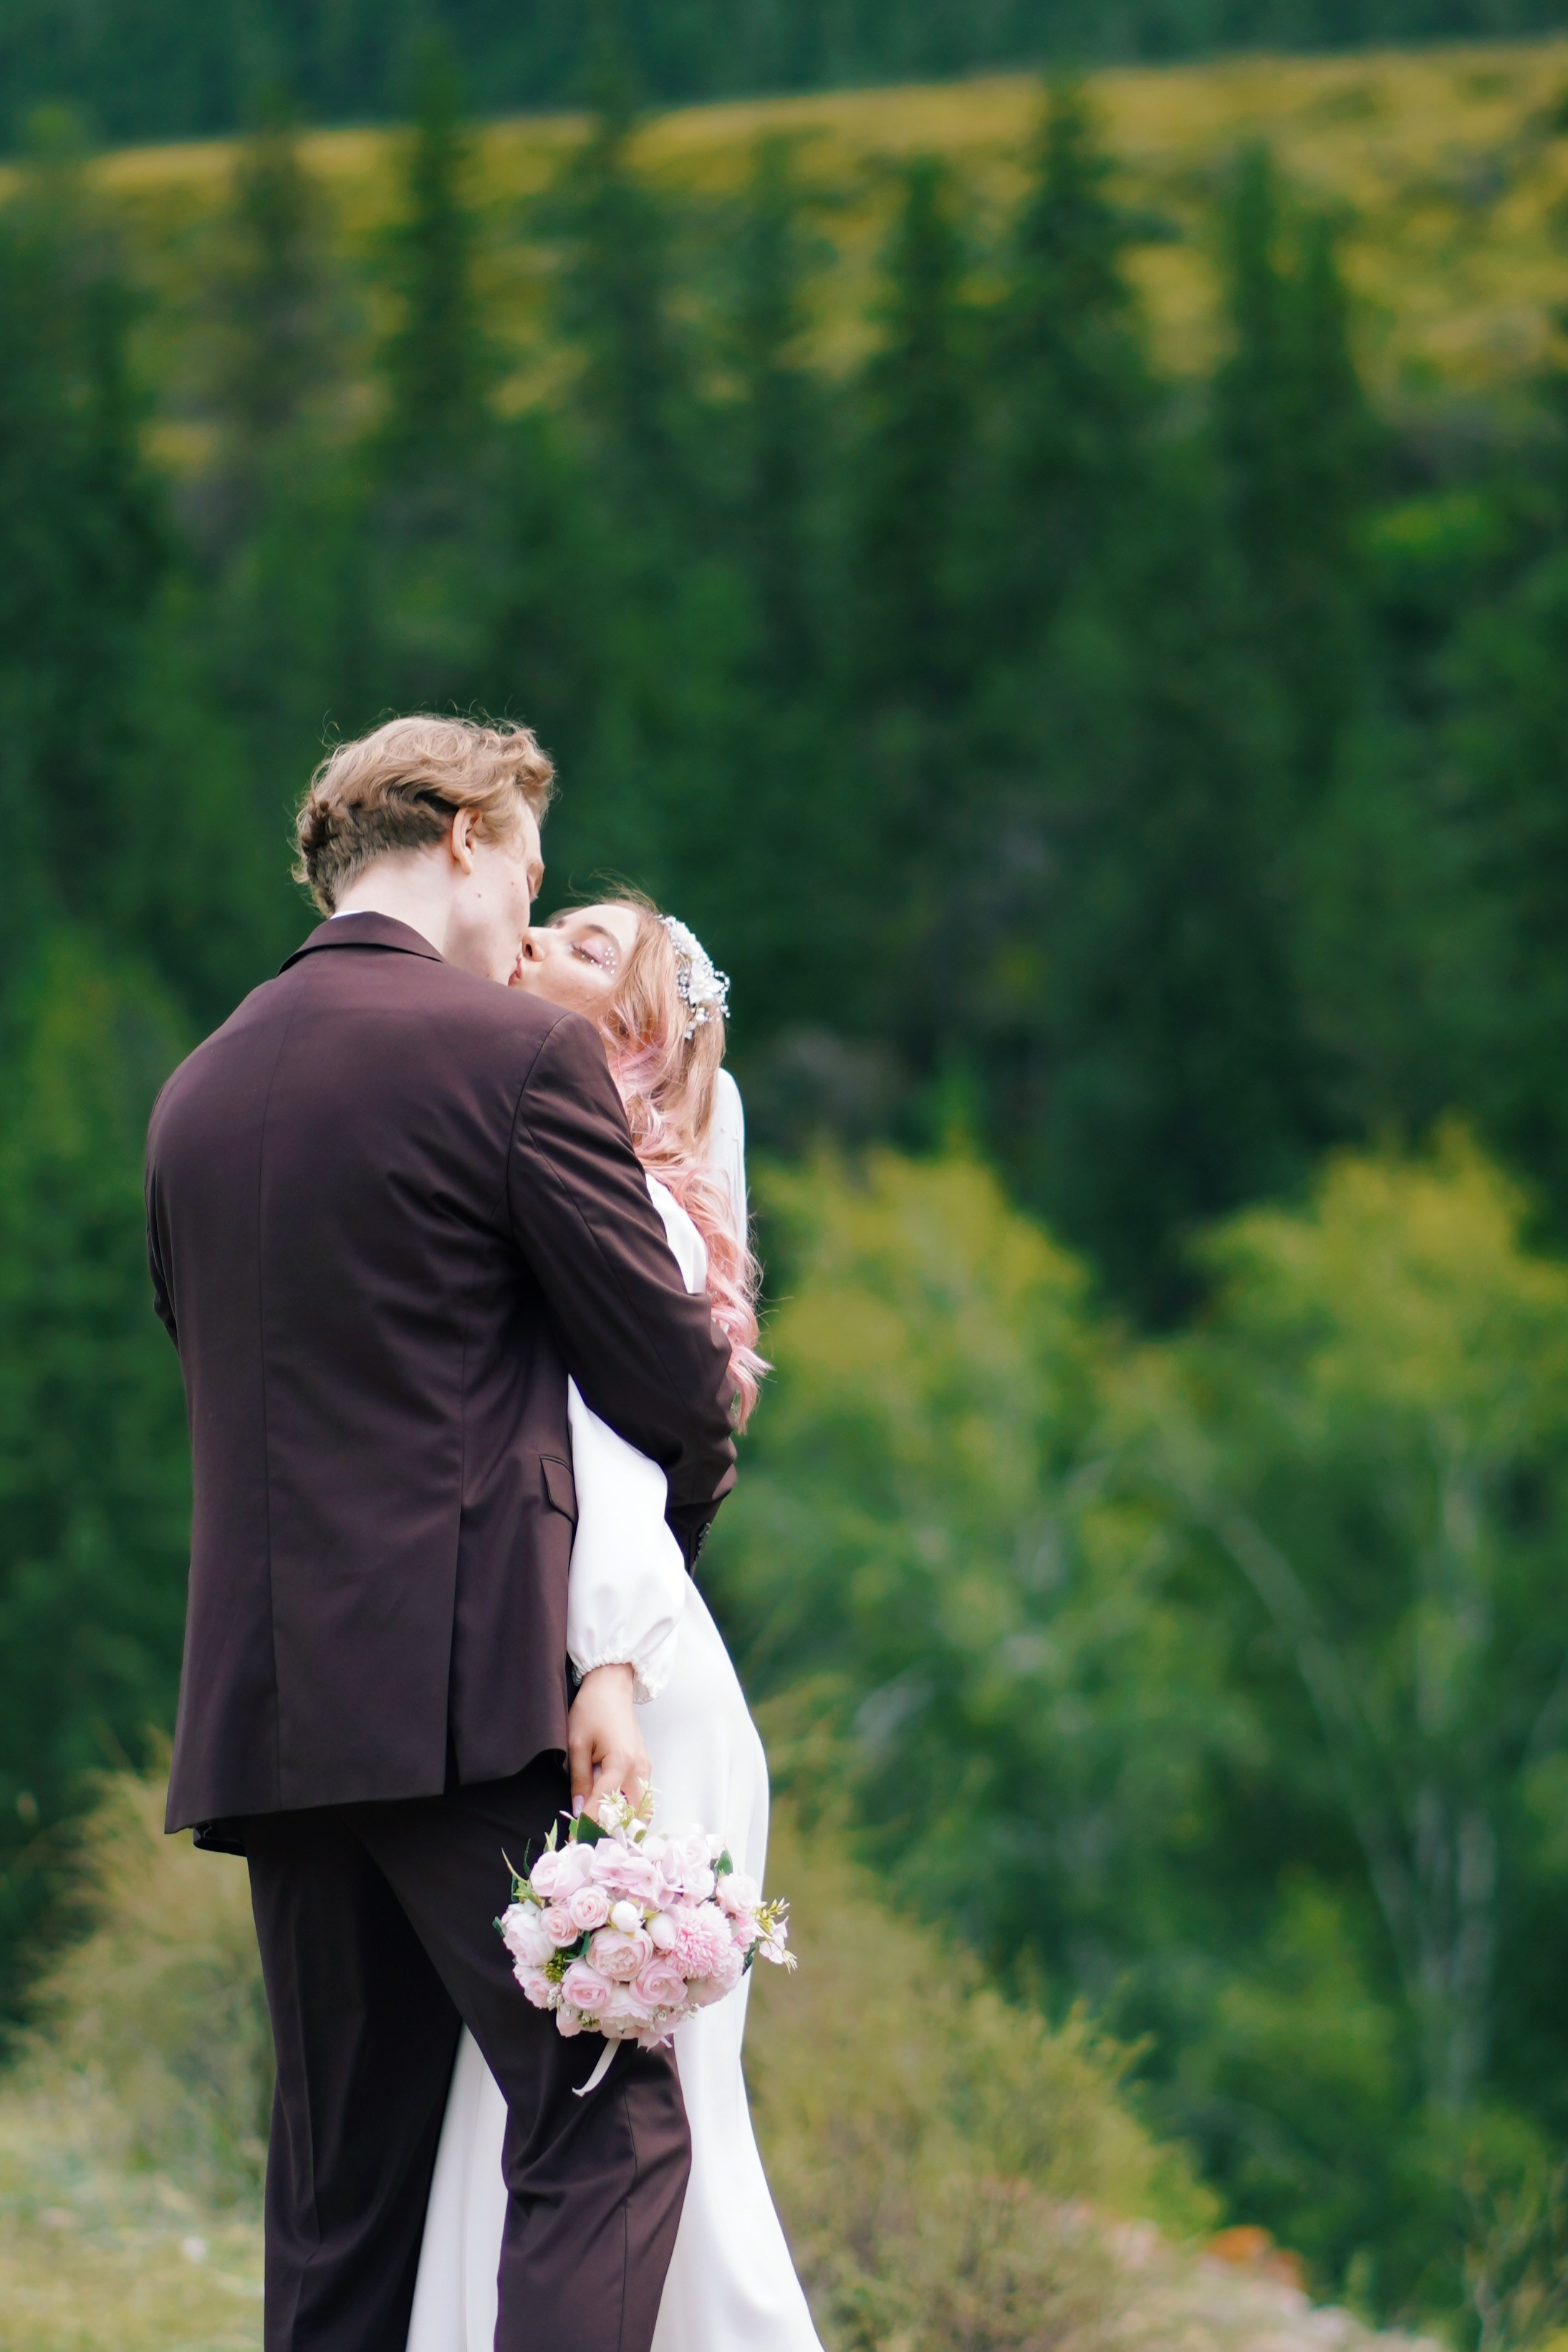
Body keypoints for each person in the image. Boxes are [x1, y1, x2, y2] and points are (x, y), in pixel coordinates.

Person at [144, 716, 737, 2352]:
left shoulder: (196, 1092)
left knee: (342, 2206)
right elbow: (678, 1369)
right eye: (530, 871)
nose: (523, 919)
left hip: (270, 1721)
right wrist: (642, 1580)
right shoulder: (509, 1059)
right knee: (604, 2120)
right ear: (467, 837)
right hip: (470, 1695)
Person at [406, 900, 823, 2352]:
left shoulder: (628, 1214)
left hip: (634, 1682)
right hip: (617, 1658)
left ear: (638, 1039)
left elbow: (608, 1471)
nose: (527, 941)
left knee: (609, 2094)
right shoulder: (563, 1180)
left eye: (578, 945)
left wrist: (611, 1668)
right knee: (567, 2091)